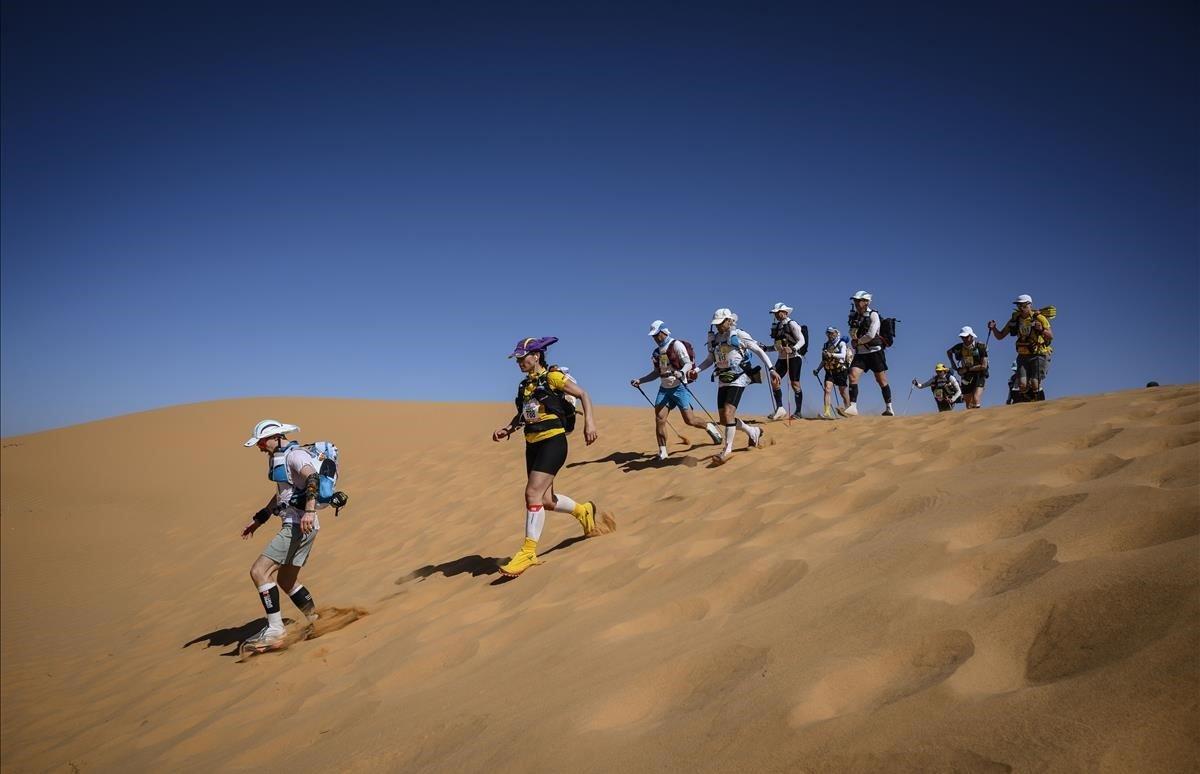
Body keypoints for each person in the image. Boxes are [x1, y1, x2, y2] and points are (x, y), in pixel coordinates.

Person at [492, 337, 613, 578]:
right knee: (546, 500)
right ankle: (583, 511)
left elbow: (583, 395)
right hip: (532, 444)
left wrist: (590, 422)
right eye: (516, 359)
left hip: (553, 442)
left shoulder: (553, 377)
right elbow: (525, 415)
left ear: (536, 356)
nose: (518, 362)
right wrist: (508, 428)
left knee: (531, 494)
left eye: (522, 357)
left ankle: (528, 552)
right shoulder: (524, 386)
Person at [240, 419, 324, 653]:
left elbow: (312, 479)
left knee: (259, 571)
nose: (259, 447)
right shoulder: (280, 457)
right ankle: (317, 619)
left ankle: (276, 629)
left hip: (299, 525)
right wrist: (260, 518)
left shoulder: (296, 455)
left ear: (276, 437)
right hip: (299, 524)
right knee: (286, 581)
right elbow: (283, 495)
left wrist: (309, 511)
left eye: (262, 441)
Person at [691, 308, 780, 464]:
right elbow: (710, 359)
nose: (718, 327)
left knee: (729, 412)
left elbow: (759, 351)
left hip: (739, 377)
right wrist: (697, 370)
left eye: (721, 323)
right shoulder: (715, 339)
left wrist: (772, 369)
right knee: (724, 419)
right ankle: (753, 432)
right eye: (716, 324)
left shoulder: (739, 335)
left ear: (729, 321)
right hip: (723, 378)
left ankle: (727, 450)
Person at [631, 320, 723, 460]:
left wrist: (681, 372)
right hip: (664, 389)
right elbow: (657, 373)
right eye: (653, 336)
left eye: (657, 335)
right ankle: (663, 452)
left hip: (679, 387)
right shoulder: (657, 352)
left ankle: (709, 427)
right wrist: (640, 381)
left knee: (689, 420)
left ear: (663, 332)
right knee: (660, 419)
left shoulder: (676, 345)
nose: (655, 338)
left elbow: (688, 364)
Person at [988, 294, 1053, 402]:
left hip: (1039, 354)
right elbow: (1000, 336)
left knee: (1035, 383)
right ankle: (1028, 404)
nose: (1021, 308)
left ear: (1030, 305)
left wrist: (1041, 330)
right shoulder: (1015, 319)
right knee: (1022, 385)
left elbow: (1050, 335)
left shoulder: (1039, 318)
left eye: (1023, 305)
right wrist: (994, 328)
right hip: (1023, 355)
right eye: (1019, 305)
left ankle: (1040, 406)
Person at [841, 290, 894, 417]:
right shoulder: (854, 316)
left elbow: (871, 334)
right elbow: (851, 331)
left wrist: (858, 341)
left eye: (858, 301)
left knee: (881, 380)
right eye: (855, 301)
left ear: (866, 302)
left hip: (875, 352)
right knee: (852, 374)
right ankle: (853, 407)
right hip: (861, 353)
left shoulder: (873, 315)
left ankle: (889, 407)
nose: (856, 303)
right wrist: (854, 339)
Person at [764, 302, 806, 420]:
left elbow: (801, 340)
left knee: (795, 384)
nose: (776, 315)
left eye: (778, 312)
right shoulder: (777, 327)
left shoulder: (792, 324)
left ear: (785, 312)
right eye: (775, 313)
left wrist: (793, 349)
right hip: (781, 358)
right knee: (774, 379)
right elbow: (777, 346)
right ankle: (780, 409)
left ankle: (798, 412)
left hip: (794, 357)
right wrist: (766, 348)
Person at [946, 326, 989, 409]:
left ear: (971, 336)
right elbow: (948, 352)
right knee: (968, 403)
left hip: (979, 374)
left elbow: (984, 366)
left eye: (966, 337)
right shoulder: (959, 347)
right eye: (962, 337)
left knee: (976, 399)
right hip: (966, 376)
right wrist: (953, 365)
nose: (964, 339)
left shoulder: (980, 346)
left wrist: (967, 369)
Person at [814, 326, 851, 419]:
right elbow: (824, 360)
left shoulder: (841, 343)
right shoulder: (826, 345)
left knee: (843, 392)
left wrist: (832, 354)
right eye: (828, 333)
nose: (829, 335)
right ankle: (827, 412)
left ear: (836, 333)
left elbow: (843, 355)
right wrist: (818, 369)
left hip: (841, 370)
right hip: (829, 371)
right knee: (827, 390)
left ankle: (849, 410)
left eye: (831, 333)